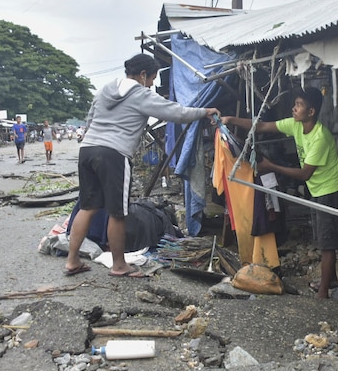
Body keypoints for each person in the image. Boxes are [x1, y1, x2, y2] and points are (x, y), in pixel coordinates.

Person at [64, 53, 221, 278]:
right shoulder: (140, 94)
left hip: (88, 150)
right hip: (113, 154)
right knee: (117, 212)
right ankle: (119, 265)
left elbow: (89, 119)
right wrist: (204, 112)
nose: (152, 84)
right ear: (143, 74)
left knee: (88, 206)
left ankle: (72, 261)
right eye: (152, 79)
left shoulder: (105, 90)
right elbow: (175, 112)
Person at [222, 86, 338, 299]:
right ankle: (331, 279)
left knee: (328, 245)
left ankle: (324, 292)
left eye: (299, 105)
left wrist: (271, 166)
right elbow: (261, 126)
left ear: (311, 112)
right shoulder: (295, 125)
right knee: (323, 239)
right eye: (295, 104)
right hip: (318, 190)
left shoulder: (320, 137)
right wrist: (231, 120)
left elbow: (305, 174)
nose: (294, 108)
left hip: (331, 192)